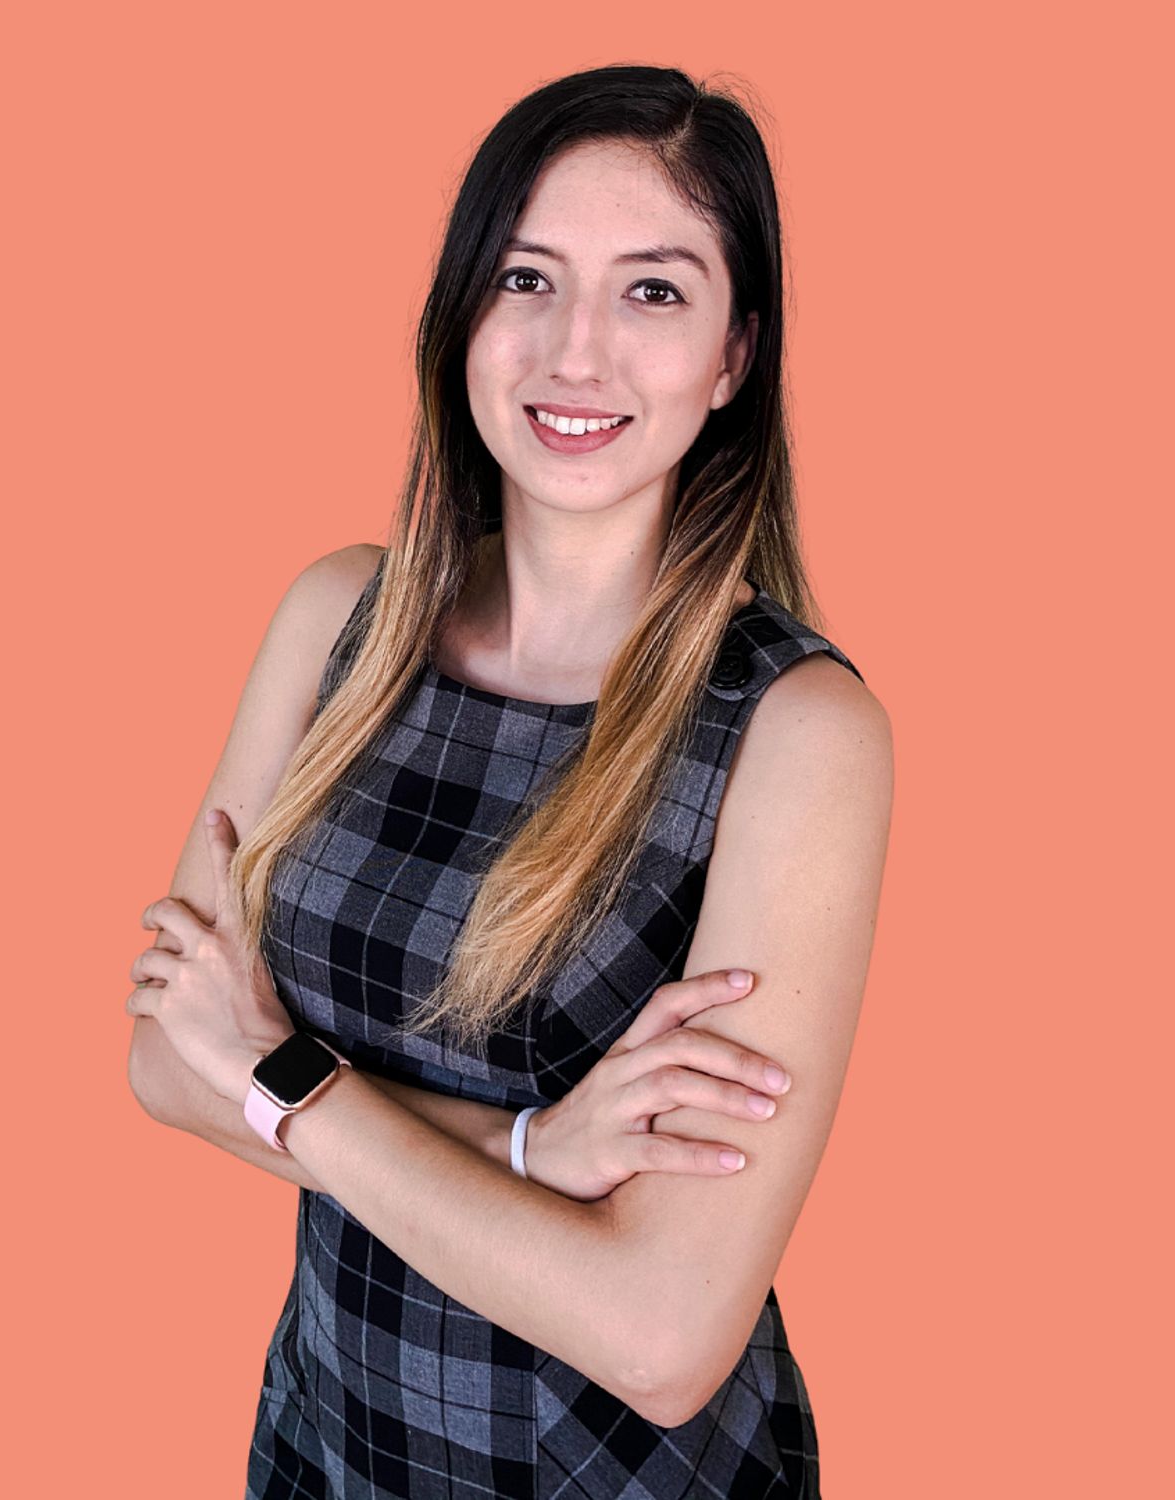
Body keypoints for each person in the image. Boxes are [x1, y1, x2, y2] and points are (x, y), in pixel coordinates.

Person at [125, 63, 893, 1500]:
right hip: (327, 1446)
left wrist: (279, 1077)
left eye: (653, 292)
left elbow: (661, 1333)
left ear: (734, 356)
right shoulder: (338, 623)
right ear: (460, 316)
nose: (575, 353)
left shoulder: (795, 732)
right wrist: (528, 1150)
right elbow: (168, 1061)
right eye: (527, 279)